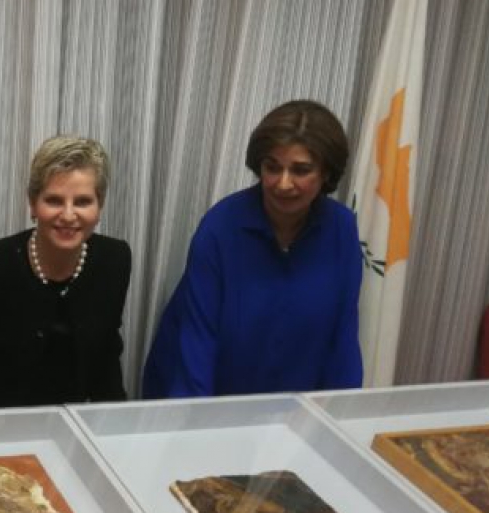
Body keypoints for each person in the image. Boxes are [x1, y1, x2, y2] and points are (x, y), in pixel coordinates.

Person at [142, 99, 362, 399]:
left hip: (294, 403)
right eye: (272, 167)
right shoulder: (221, 226)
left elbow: (344, 337)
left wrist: (344, 413)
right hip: (208, 393)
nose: (283, 184)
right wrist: (196, 419)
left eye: (301, 170)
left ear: (326, 173)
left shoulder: (342, 229)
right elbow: (197, 339)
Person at [0, 136, 131, 409]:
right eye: (54, 200)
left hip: (73, 423)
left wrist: (114, 424)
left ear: (100, 206)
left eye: (83, 201)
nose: (68, 215)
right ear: (33, 204)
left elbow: (106, 357)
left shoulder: (115, 260)